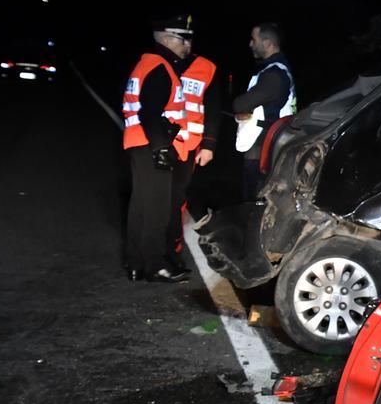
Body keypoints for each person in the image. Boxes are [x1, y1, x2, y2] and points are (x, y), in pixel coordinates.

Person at [122, 14, 194, 283]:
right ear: (166, 37)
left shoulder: (148, 62)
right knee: (157, 208)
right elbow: (151, 112)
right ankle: (154, 264)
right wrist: (162, 148)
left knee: (140, 205)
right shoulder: (160, 66)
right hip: (152, 144)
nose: (187, 43)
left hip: (139, 143)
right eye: (182, 37)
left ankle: (135, 263)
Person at [165, 50, 220, 272]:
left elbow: (214, 109)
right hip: (161, 142)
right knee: (157, 199)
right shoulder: (160, 63)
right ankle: (155, 248)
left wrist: (209, 145)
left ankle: (172, 250)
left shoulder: (206, 67)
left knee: (176, 198)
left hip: (188, 146)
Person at [233, 22, 296, 198]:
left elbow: (242, 104)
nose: (250, 44)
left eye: (254, 40)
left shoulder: (275, 73)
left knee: (256, 199)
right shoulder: (273, 69)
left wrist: (241, 106)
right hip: (267, 142)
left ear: (267, 43)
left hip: (264, 146)